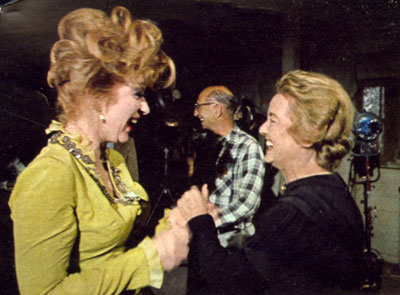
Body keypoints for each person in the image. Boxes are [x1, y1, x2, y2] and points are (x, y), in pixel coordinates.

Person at [9, 6, 189, 295]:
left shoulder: (111, 160)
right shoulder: (51, 174)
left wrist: (174, 224)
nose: (144, 107)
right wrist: (152, 256)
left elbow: (114, 252)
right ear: (97, 94)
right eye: (138, 93)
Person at [177, 70, 365, 295]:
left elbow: (227, 281)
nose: (262, 129)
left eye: (273, 120)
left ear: (308, 132)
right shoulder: (335, 190)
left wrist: (200, 220)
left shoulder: (291, 213)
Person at [191, 86, 265, 248]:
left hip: (231, 243)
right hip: (201, 236)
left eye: (198, 107)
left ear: (217, 109)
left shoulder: (247, 147)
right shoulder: (202, 145)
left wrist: (206, 221)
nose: (195, 113)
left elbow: (247, 203)